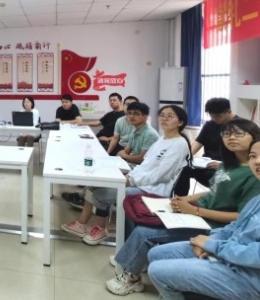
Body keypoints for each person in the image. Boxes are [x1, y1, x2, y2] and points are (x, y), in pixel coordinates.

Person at [106, 118, 260, 296]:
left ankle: (131, 275)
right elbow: (213, 192)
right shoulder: (227, 165)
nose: (231, 137)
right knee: (140, 213)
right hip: (201, 217)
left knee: (145, 233)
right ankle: (133, 259)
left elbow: (240, 217)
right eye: (226, 133)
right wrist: (186, 199)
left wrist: (195, 211)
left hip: (210, 223)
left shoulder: (253, 176)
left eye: (238, 133)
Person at [146, 134, 260, 300]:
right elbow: (236, 225)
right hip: (228, 252)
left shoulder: (249, 181)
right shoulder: (256, 197)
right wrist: (211, 240)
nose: (257, 161)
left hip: (249, 277)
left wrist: (214, 246)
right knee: (156, 254)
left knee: (157, 271)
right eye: (253, 156)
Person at [62, 105, 190, 246]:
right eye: (162, 115)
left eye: (170, 116)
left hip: (154, 190)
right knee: (94, 186)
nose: (164, 118)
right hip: (141, 182)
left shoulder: (179, 144)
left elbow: (161, 176)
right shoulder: (162, 140)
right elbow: (145, 166)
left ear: (180, 122)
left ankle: (104, 230)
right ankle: (89, 226)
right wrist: (130, 176)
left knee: (101, 195)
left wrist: (131, 180)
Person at [64, 97, 143, 210]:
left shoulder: (141, 127)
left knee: (100, 168)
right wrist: (108, 155)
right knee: (93, 159)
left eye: (133, 106)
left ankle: (86, 198)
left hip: (129, 161)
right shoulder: (120, 119)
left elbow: (138, 155)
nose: (130, 109)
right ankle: (84, 194)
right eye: (127, 105)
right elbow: (116, 138)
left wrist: (120, 154)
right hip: (120, 151)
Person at [173, 97, 236, 196]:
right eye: (212, 116)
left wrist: (224, 165)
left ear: (229, 112)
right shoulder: (210, 125)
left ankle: (215, 202)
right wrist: (185, 157)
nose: (215, 119)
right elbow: (198, 143)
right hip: (206, 164)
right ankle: (179, 199)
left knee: (216, 177)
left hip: (227, 167)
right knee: (182, 168)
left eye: (218, 116)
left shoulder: (241, 126)